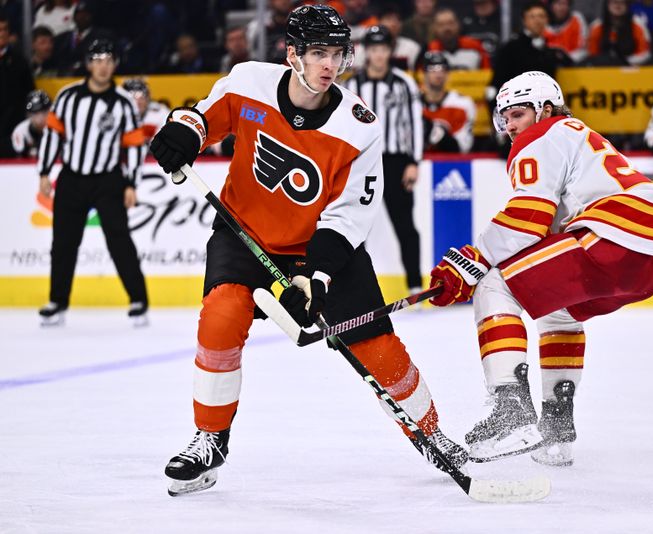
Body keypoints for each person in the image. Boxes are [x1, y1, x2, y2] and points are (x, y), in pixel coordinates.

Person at [149, 5, 466, 497]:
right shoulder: (249, 81)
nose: (328, 65)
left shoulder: (359, 125)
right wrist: (183, 130)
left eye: (337, 54)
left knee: (377, 348)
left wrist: (314, 278)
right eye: (318, 52)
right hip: (245, 235)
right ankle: (209, 440)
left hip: (321, 247)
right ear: (292, 53)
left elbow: (348, 216)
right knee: (220, 317)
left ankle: (430, 431)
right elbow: (203, 116)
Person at [427, 70, 653, 466]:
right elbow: (544, 230)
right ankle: (557, 432)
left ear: (545, 109)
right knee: (556, 310)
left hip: (612, 235)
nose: (510, 126)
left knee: (493, 284)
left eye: (518, 114)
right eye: (504, 117)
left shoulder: (542, 135)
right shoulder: (576, 136)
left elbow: (528, 216)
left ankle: (511, 407)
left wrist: (473, 259)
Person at [37, 38, 149, 327]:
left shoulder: (123, 102)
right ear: (88, 64)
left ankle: (139, 300)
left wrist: (131, 184)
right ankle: (57, 301)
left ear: (115, 65)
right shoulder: (67, 96)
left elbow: (134, 146)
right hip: (72, 177)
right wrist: (44, 172)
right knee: (63, 242)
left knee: (119, 240)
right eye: (98, 60)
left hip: (108, 180)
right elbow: (53, 135)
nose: (103, 66)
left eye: (109, 61)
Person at [343, 25, 424, 294]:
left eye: (383, 49)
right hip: (361, 161)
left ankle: (414, 285)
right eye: (374, 49)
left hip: (396, 161)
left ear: (390, 51)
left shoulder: (403, 82)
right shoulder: (351, 85)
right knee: (355, 226)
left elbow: (414, 124)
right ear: (367, 51)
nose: (379, 55)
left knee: (405, 225)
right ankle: (357, 289)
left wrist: (414, 161)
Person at [489, 2, 565, 114]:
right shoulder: (511, 48)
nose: (537, 21)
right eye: (532, 16)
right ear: (524, 21)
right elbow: (496, 84)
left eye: (541, 16)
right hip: (517, 108)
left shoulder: (550, 50)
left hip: (544, 110)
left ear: (547, 20)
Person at [420, 51, 476, 153]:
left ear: (448, 74)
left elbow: (462, 148)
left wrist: (436, 133)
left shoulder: (462, 104)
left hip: (451, 164)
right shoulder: (413, 105)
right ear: (423, 74)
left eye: (442, 69)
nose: (438, 74)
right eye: (432, 69)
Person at [0, 13, 34, 148]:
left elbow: (29, 93)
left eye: (5, 29)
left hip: (13, 130)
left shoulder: (19, 61)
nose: (2, 33)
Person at [586, 0, 651, 66]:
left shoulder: (637, 25)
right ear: (607, 4)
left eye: (622, 2)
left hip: (631, 68)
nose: (618, 5)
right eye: (614, 2)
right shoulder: (596, 26)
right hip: (602, 68)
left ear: (627, 5)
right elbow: (591, 53)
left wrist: (624, 62)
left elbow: (644, 53)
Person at [425, 7, 490, 70]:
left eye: (451, 23)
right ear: (434, 28)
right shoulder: (430, 50)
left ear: (458, 24)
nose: (447, 28)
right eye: (441, 24)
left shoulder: (475, 46)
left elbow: (488, 73)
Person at [121, 77, 169, 143]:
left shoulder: (160, 113)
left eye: (142, 98)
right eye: (132, 98)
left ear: (148, 99)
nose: (138, 102)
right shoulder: (114, 114)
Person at [8, 90, 51, 157]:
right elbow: (20, 157)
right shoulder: (20, 131)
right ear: (28, 115)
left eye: (44, 112)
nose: (40, 119)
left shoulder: (60, 128)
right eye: (35, 113)